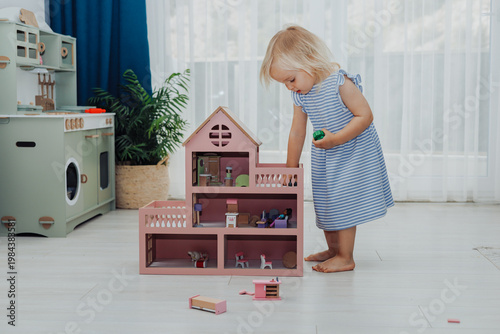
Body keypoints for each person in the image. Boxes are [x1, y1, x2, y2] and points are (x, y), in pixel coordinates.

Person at [260, 25, 394, 273]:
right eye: (284, 83)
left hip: (353, 149)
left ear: (310, 61)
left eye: (291, 79)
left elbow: (365, 116)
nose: (289, 86)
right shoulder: (301, 95)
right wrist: (290, 168)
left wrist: (337, 139)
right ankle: (333, 249)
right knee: (326, 200)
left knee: (343, 200)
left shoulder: (339, 83)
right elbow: (297, 131)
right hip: (326, 153)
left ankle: (346, 256)